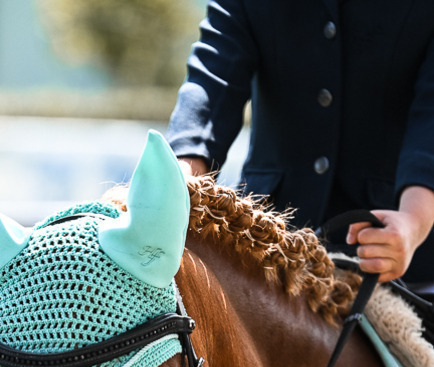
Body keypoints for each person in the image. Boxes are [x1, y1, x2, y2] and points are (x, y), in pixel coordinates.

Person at [166, 1, 434, 292]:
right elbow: (213, 80)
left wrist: (413, 221)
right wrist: (178, 181)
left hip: (393, 253)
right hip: (263, 250)